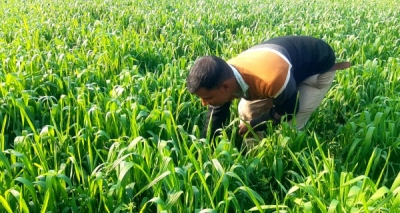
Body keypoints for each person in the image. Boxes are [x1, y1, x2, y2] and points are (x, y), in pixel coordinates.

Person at [186, 35, 350, 146]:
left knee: (291, 127)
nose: (203, 103)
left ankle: (283, 168)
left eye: (207, 97)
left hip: (316, 70)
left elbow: (289, 110)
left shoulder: (271, 79)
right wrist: (205, 147)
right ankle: (254, 157)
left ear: (225, 87)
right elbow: (216, 112)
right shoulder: (221, 75)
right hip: (286, 70)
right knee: (246, 109)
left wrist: (254, 124)